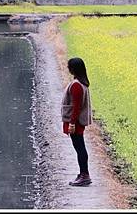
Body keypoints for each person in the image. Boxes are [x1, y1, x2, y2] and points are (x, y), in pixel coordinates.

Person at [61, 57, 93, 186]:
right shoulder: (81, 83)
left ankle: (84, 175)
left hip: (76, 123)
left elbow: (76, 107)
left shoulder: (76, 86)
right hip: (76, 122)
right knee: (80, 147)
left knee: (80, 148)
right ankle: (83, 174)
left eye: (69, 67)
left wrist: (72, 124)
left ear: (74, 69)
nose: (68, 68)